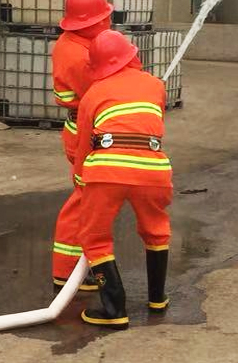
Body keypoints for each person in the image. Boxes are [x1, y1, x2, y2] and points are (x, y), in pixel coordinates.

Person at [73, 30, 172, 330]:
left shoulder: (93, 94)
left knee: (95, 237)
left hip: (107, 169)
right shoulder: (156, 85)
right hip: (153, 168)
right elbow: (152, 125)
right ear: (131, 56)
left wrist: (80, 180)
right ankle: (157, 298)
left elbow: (83, 144)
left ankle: (114, 309)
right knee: (156, 230)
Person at [50, 0, 114, 292]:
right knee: (84, 200)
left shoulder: (76, 43)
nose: (109, 22)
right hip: (86, 132)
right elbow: (105, 90)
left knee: (89, 199)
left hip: (84, 129)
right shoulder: (77, 55)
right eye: (105, 18)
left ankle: (77, 266)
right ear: (91, 22)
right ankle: (66, 272)